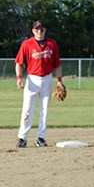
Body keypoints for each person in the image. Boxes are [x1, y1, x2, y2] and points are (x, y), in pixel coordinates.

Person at [14, 20, 65, 148]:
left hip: (47, 79)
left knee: (45, 110)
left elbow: (57, 64)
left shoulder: (52, 44)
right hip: (32, 79)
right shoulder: (27, 44)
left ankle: (41, 138)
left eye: (42, 29)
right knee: (27, 110)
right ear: (33, 31)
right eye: (37, 29)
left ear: (45, 30)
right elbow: (19, 63)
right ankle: (22, 138)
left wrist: (59, 81)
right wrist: (19, 78)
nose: (39, 32)